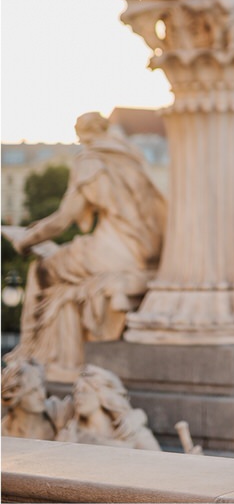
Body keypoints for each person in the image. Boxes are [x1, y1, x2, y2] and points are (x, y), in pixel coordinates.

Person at [5, 113, 167, 381]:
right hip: (146, 248)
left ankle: (31, 354)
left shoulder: (90, 160)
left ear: (80, 133)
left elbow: (63, 220)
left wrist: (26, 239)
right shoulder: (131, 155)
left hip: (116, 250)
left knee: (42, 268)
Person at [56, 364, 160, 450]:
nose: (78, 396)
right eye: (76, 391)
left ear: (102, 394)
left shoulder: (131, 432)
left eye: (84, 391)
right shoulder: (69, 435)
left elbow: (160, 464)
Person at [1, 358, 72, 440]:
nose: (42, 395)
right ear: (15, 394)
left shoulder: (58, 412)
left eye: (41, 386)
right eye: (33, 391)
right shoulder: (5, 431)